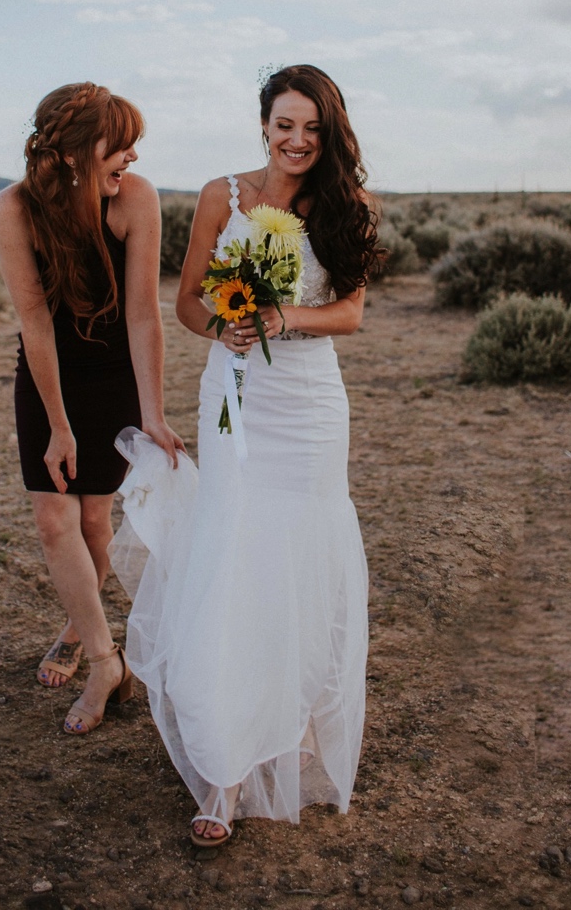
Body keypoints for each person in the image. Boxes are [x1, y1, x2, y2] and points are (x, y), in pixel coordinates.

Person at [113, 64, 382, 845]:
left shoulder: (346, 204)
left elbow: (352, 314)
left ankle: (290, 716)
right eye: (283, 124)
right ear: (262, 124)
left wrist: (280, 316)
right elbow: (188, 299)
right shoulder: (220, 196)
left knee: (297, 559)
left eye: (312, 129)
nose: (296, 140)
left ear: (328, 134)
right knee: (233, 557)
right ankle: (224, 772)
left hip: (307, 408)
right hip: (235, 398)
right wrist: (223, 324)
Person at [0, 81, 184, 735]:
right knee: (54, 519)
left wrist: (152, 412)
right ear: (75, 153)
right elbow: (35, 322)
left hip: (112, 375)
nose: (130, 157)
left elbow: (142, 315)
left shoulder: (136, 199)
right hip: (48, 376)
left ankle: (76, 630)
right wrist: (58, 424)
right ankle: (106, 661)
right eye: (118, 145)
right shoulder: (13, 209)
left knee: (96, 524)